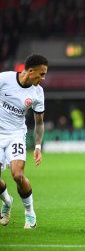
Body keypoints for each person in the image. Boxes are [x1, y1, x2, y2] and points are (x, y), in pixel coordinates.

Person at [0, 53, 48, 229]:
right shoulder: (4, 79)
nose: (43, 78)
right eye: (41, 74)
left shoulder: (37, 92)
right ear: (30, 70)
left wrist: (37, 145)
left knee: (17, 175)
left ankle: (29, 213)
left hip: (15, 135)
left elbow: (39, 122)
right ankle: (7, 201)